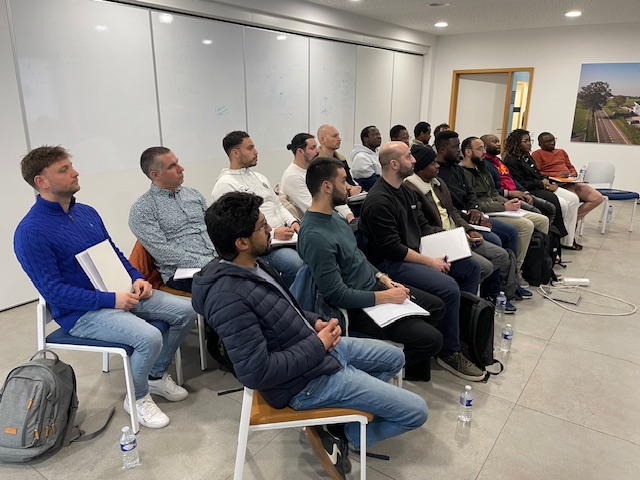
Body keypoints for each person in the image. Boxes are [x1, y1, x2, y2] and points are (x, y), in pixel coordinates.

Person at [191, 191, 428, 479]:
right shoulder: (229, 298)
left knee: (395, 358)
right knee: (417, 411)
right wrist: (318, 344)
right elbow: (256, 372)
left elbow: (284, 307)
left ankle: (340, 418)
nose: (271, 229)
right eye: (262, 226)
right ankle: (352, 434)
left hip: (313, 350)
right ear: (241, 242)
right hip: (303, 384)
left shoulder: (250, 264)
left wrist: (314, 322)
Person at [14, 146, 196, 429]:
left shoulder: (86, 212)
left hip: (118, 293)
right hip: (81, 313)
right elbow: (53, 292)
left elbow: (115, 254)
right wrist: (110, 300)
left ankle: (155, 376)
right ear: (41, 181)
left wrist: (137, 277)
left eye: (71, 166)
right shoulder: (30, 232)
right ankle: (137, 398)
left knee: (187, 311)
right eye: (64, 170)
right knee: (148, 337)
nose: (75, 173)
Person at [298, 156, 444, 381]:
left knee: (437, 307)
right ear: (327, 186)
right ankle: (383, 370)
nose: (348, 186)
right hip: (356, 307)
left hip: (374, 287)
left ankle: (410, 369)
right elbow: (337, 295)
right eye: (343, 181)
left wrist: (383, 278)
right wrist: (386, 297)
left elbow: (357, 257)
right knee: (431, 339)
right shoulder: (315, 236)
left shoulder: (334, 217)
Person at [359, 141, 485, 382]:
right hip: (390, 264)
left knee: (469, 266)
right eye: (408, 157)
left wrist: (452, 242)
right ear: (394, 164)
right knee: (448, 287)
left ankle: (459, 332)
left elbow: (422, 227)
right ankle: (449, 352)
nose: (414, 160)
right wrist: (429, 261)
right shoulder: (379, 200)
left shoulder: (405, 190)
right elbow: (392, 249)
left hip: (415, 251)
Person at [405, 146, 527, 307]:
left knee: (501, 255)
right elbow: (424, 227)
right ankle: (464, 303)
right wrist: (457, 237)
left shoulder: (438, 183)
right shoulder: (411, 190)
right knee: (483, 266)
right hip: (438, 240)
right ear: (421, 168)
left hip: (457, 233)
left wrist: (469, 230)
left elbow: (453, 212)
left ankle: (479, 295)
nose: (437, 165)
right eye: (433, 163)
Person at [211, 130, 303, 286]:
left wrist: (293, 222)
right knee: (296, 264)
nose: (256, 151)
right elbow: (237, 227)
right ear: (235, 153)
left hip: (286, 236)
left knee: (318, 252)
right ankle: (289, 298)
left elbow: (278, 205)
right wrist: (273, 233)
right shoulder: (226, 184)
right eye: (250, 148)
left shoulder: (259, 177)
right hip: (260, 245)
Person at [434, 130, 523, 281]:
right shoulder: (438, 174)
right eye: (455, 147)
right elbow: (450, 207)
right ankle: (495, 287)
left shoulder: (458, 168)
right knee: (497, 239)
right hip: (461, 219)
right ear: (442, 150)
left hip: (473, 215)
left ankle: (508, 281)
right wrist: (474, 217)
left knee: (510, 232)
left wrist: (475, 209)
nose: (459, 150)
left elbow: (471, 194)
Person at [129, 146, 216, 293]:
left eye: (177, 162)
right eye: (172, 166)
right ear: (155, 174)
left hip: (217, 260)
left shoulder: (194, 195)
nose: (181, 169)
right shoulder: (143, 209)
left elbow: (213, 229)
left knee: (255, 266)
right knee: (233, 284)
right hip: (182, 272)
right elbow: (163, 252)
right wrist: (209, 263)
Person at [460, 136, 550, 271]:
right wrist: (504, 206)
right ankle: (515, 269)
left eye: (484, 148)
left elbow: (494, 193)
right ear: (468, 152)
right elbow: (475, 203)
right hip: (487, 212)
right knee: (526, 225)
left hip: (499, 206)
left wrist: (509, 202)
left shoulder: (482, 169)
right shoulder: (463, 173)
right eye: (480, 149)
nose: (484, 152)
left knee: (542, 220)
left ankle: (536, 266)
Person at [503, 129, 580, 250]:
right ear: (517, 142)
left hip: (540, 185)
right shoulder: (511, 160)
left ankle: (568, 240)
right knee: (563, 204)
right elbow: (520, 182)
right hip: (529, 189)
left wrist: (546, 180)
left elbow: (537, 173)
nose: (529, 143)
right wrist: (542, 184)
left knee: (574, 199)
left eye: (530, 141)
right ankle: (559, 237)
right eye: (525, 141)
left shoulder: (527, 156)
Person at [532, 132, 604, 230]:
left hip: (571, 182)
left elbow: (570, 166)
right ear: (540, 144)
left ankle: (573, 219)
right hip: (557, 184)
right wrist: (555, 175)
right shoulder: (537, 154)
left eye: (553, 140)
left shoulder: (561, 152)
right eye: (548, 141)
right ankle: (570, 225)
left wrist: (573, 172)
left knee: (597, 198)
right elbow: (537, 172)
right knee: (574, 200)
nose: (552, 143)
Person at [481, 134, 557, 223]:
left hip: (517, 191)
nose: (498, 144)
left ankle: (550, 231)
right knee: (537, 213)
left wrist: (525, 192)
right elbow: (492, 189)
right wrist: (510, 193)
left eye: (498, 141)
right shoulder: (485, 164)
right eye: (494, 142)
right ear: (484, 146)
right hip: (505, 196)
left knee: (551, 208)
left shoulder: (498, 161)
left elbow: (511, 178)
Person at [280, 132, 355, 223]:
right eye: (312, 148)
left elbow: (335, 193)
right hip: (314, 223)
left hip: (329, 216)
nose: (317, 151)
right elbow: (313, 208)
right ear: (300, 152)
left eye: (316, 147)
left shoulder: (317, 168)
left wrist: (349, 215)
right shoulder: (292, 177)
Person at [317, 124, 362, 196]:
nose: (339, 139)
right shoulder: (318, 163)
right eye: (334, 136)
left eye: (338, 136)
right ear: (323, 139)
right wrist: (350, 190)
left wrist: (356, 189)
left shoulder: (341, 159)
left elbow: (349, 181)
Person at [350, 125, 382, 190]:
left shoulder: (377, 154)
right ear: (365, 139)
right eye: (374, 134)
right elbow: (371, 184)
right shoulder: (361, 158)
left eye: (379, 134)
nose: (379, 137)